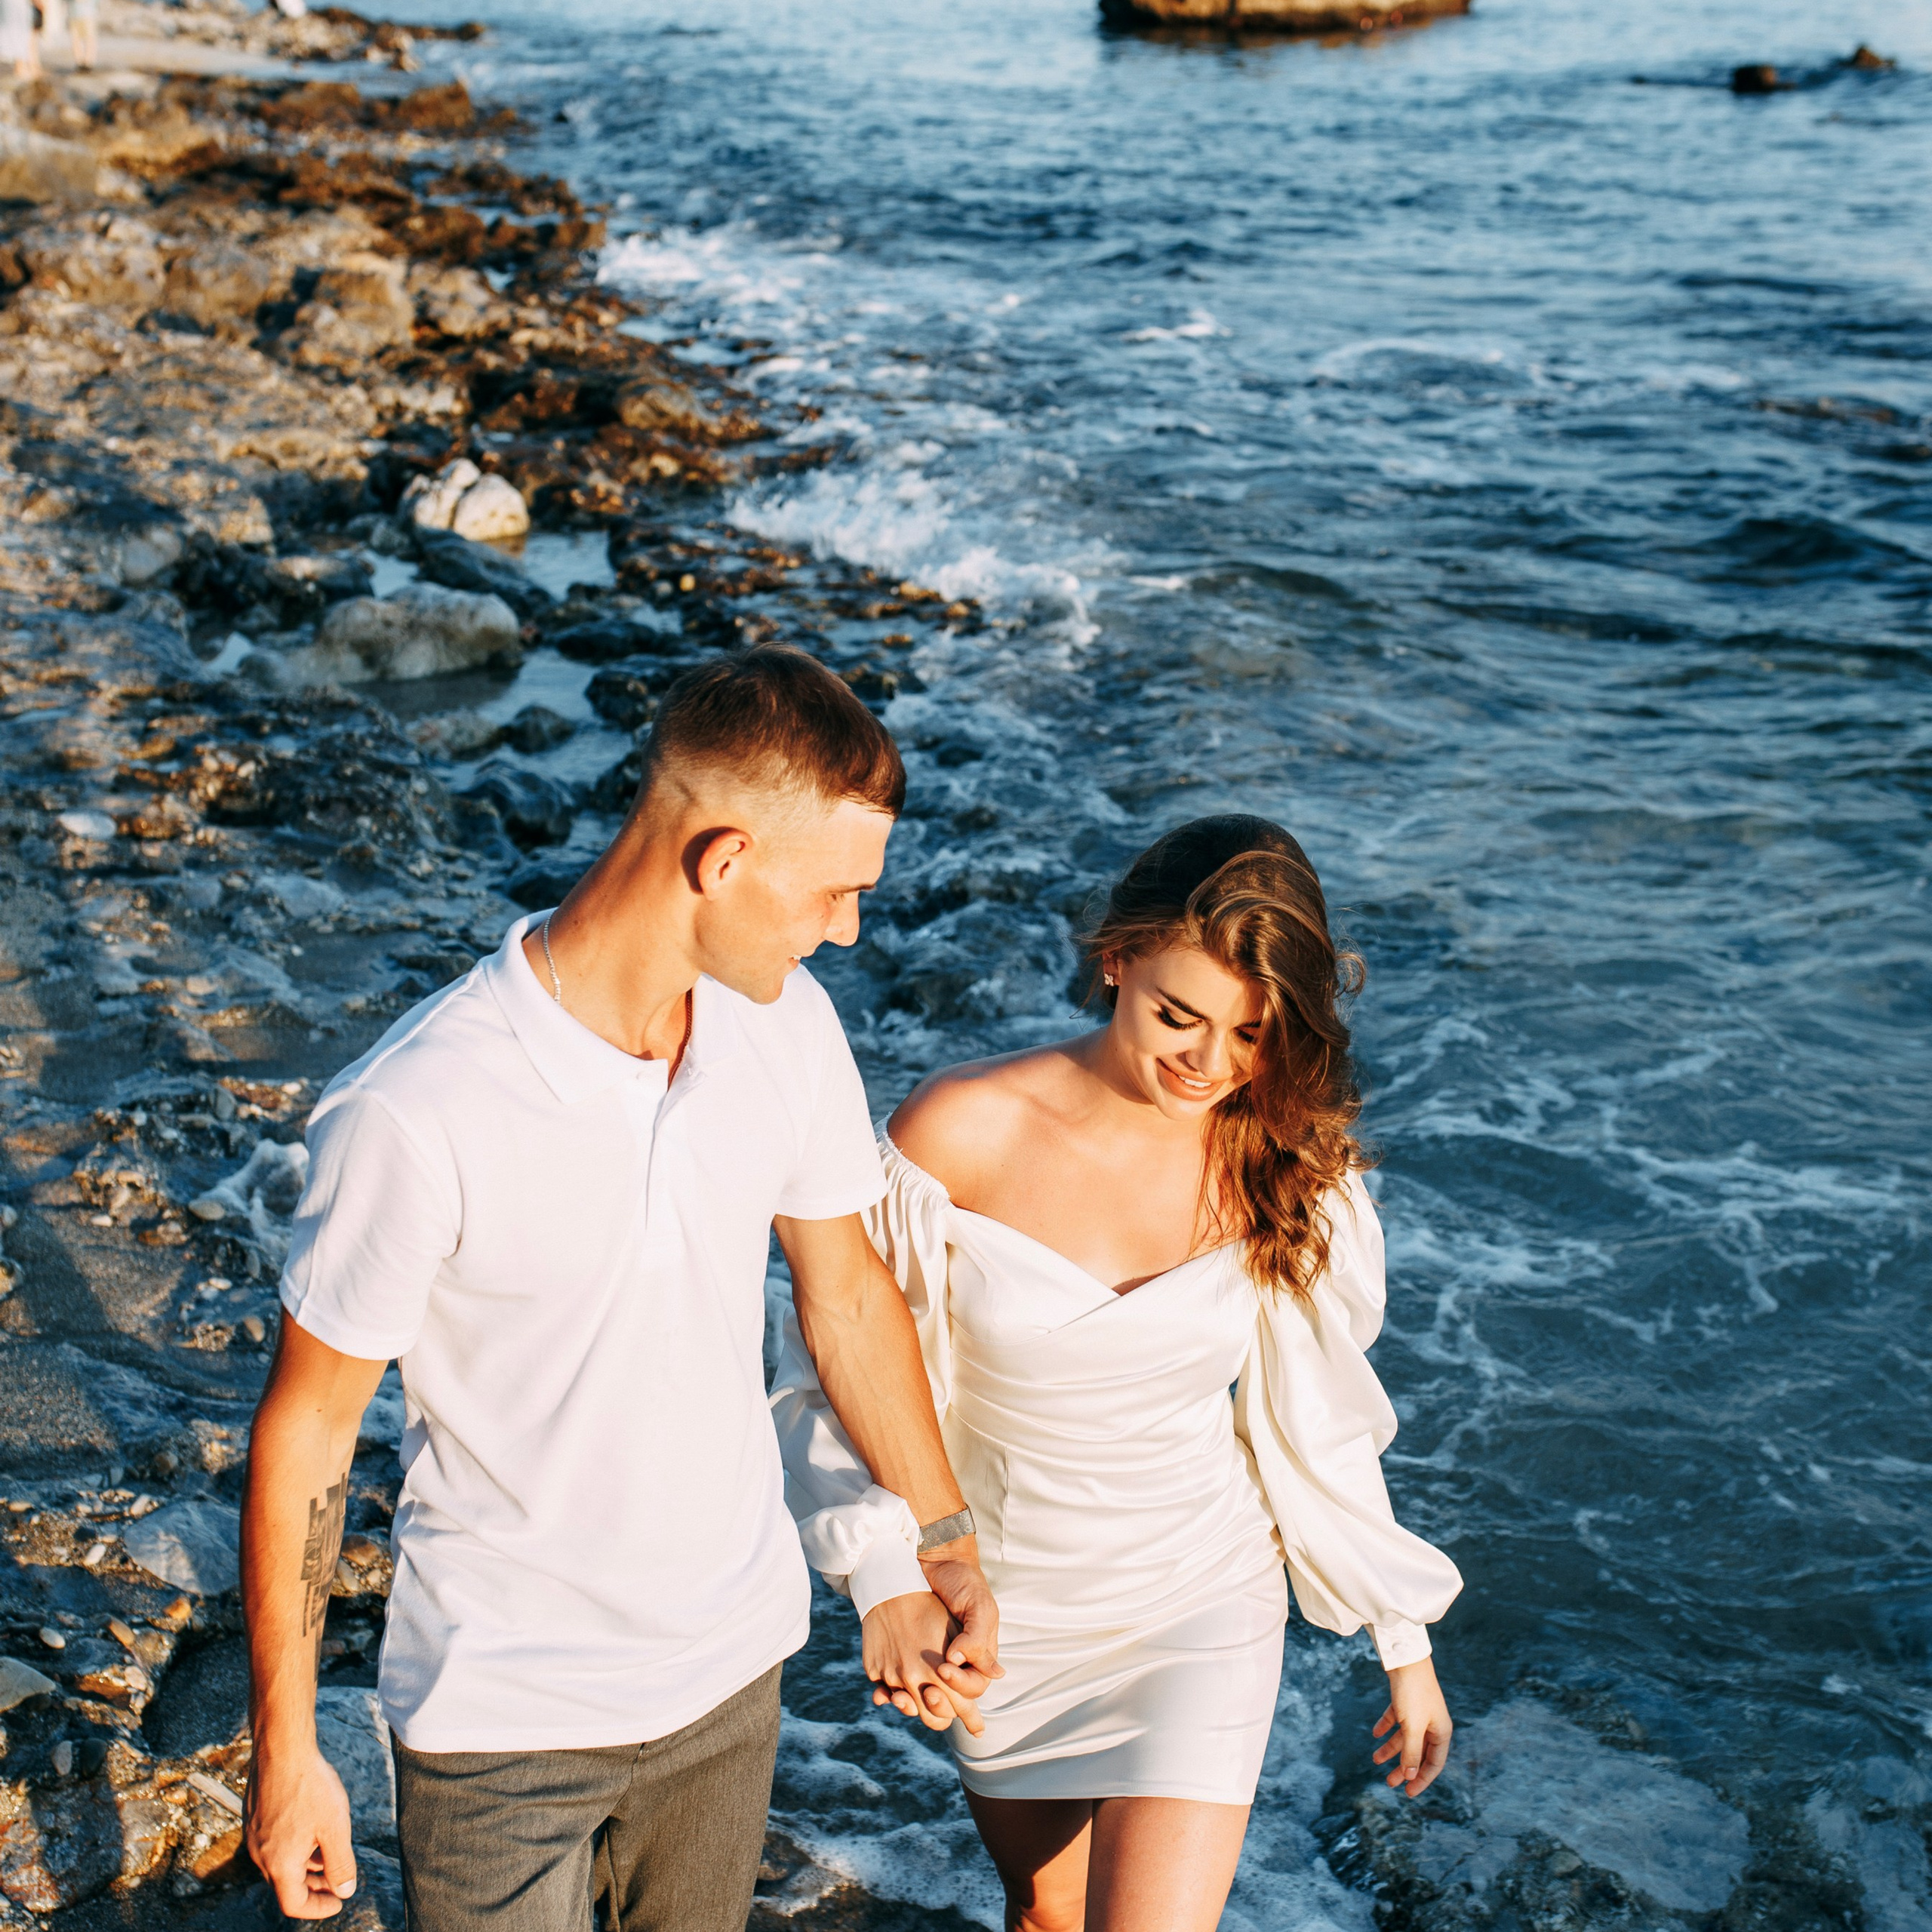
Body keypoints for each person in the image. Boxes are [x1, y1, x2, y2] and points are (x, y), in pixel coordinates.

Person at [242, 645, 1001, 1929]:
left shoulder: (786, 1025)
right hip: (503, 1717)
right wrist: (289, 1751)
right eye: (832, 894)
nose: (849, 930)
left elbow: (850, 1295)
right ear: (722, 862)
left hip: (727, 1686)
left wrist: (940, 1539)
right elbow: (309, 1427)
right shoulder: (416, 1110)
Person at [774, 815, 1461, 1932]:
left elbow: (1318, 1424)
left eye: (1249, 1035)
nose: (1209, 1064)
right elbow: (832, 1366)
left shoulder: (1288, 1163)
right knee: (1045, 1915)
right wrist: (883, 1570)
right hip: (1007, 1610)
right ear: (1116, 961)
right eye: (1177, 1016)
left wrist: (1403, 1638)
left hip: (1200, 1595)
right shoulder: (961, 1131)